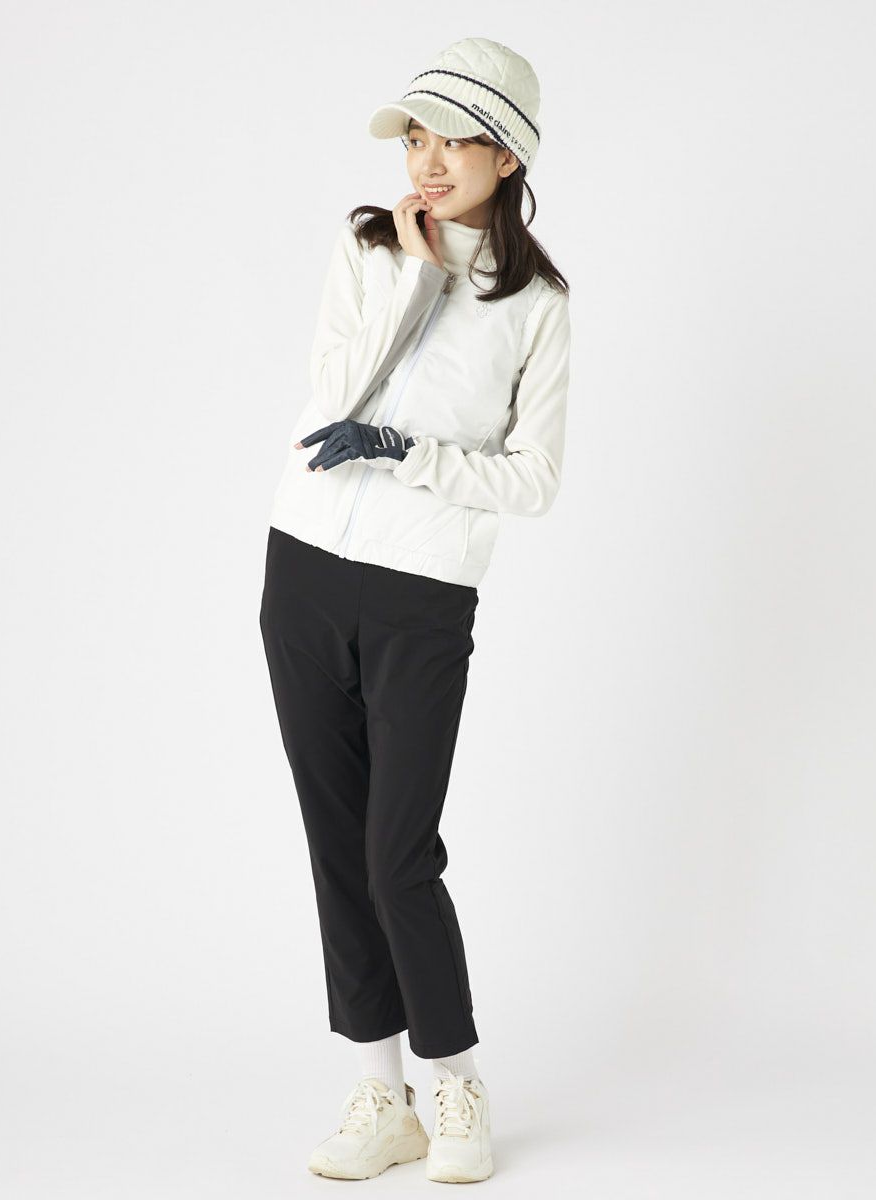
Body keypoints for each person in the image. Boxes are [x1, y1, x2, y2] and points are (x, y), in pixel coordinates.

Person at [259, 36, 571, 1184]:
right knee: (338, 845)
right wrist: (412, 276)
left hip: (422, 591)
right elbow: (329, 400)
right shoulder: (369, 250)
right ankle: (379, 1096)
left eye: (454, 144)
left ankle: (455, 1082)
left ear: (508, 156)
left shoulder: (537, 304)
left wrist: (406, 450)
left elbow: (533, 480)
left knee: (398, 853)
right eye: (417, 141)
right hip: (302, 566)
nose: (428, 164)